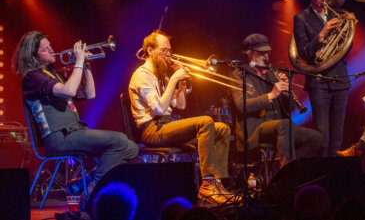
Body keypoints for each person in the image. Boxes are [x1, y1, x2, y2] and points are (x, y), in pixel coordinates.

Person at [13, 31, 138, 200]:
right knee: (119, 141)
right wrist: (78, 61)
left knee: (131, 148)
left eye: (50, 45)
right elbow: (69, 91)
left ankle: (83, 183)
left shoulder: (53, 74)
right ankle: (92, 189)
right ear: (33, 56)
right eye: (45, 49)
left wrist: (85, 66)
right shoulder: (32, 78)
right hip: (58, 138)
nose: (51, 50)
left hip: (73, 132)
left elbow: (90, 93)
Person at [128, 30, 233, 205]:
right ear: (150, 50)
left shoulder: (161, 74)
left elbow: (180, 105)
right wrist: (173, 79)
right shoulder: (142, 74)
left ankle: (217, 184)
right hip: (153, 130)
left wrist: (181, 84)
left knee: (222, 129)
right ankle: (207, 185)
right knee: (205, 121)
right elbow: (159, 109)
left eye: (169, 50)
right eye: (164, 50)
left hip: (167, 126)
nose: (168, 54)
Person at [230, 33, 322, 167]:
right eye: (261, 53)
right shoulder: (239, 74)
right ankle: (286, 174)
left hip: (280, 127)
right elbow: (241, 105)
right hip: (254, 129)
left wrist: (286, 95)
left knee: (316, 138)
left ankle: (291, 169)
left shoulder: (272, 74)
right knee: (284, 125)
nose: (266, 56)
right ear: (249, 53)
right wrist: (271, 95)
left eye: (267, 52)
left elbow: (289, 109)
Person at [293, 0, 355, 157]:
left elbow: (345, 46)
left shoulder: (336, 15)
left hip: (340, 80)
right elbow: (304, 52)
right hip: (319, 83)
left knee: (338, 136)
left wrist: (349, 29)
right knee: (323, 137)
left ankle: (336, 175)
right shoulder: (301, 18)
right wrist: (322, 33)